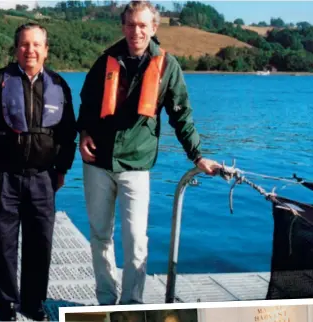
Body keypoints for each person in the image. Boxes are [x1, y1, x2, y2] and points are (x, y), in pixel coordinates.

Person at [77, 1, 221, 305]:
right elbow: (87, 104)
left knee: (135, 242)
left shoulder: (168, 67)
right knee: (101, 237)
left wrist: (197, 156)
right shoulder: (105, 61)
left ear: (154, 28)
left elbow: (182, 116)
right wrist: (84, 133)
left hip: (136, 166)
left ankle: (132, 304)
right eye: (130, 25)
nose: (136, 31)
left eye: (143, 25)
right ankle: (106, 299)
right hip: (98, 165)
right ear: (123, 27)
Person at [0, 23, 77, 321]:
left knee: (41, 243)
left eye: (37, 44)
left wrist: (62, 168)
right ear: (16, 49)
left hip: (43, 177)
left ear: (46, 50)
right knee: (3, 244)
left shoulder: (59, 85)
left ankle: (33, 303)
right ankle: (6, 305)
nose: (31, 50)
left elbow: (68, 133)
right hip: (3, 176)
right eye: (25, 44)